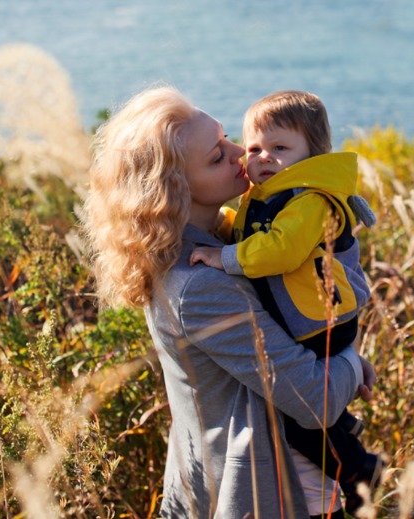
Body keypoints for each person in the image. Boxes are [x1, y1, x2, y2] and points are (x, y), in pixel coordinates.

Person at [82, 85, 375, 518]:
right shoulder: (199, 282)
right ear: (175, 188)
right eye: (217, 155)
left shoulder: (211, 244)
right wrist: (352, 361)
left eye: (225, 138)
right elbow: (316, 399)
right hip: (274, 494)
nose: (241, 152)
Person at [189, 90, 381, 515]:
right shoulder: (267, 196)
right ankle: (345, 429)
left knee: (299, 418)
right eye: (255, 147)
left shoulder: (308, 199)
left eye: (280, 148)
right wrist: (216, 231)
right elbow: (246, 235)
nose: (261, 157)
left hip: (320, 319)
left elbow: (282, 250)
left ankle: (358, 469)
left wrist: (223, 257)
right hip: (304, 317)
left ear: (313, 154)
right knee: (300, 408)